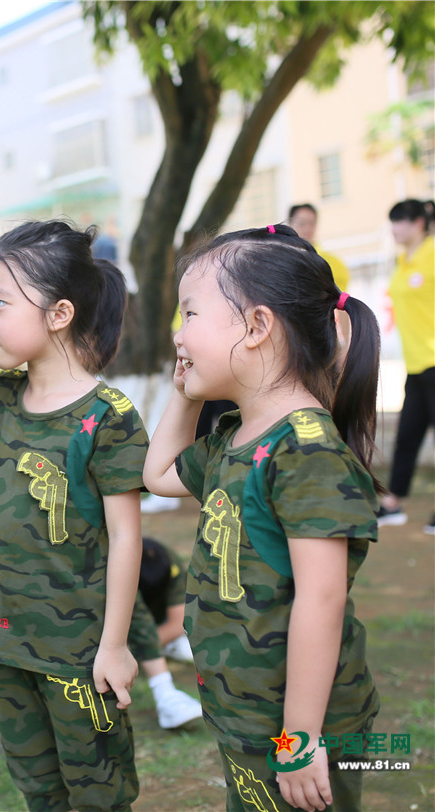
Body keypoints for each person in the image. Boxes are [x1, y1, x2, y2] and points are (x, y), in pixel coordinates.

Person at [0, 219, 145, 812]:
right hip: (5, 642)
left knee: (98, 792)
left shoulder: (107, 416)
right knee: (38, 788)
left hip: (80, 651)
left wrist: (114, 645)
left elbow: (126, 539)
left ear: (59, 313)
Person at [143, 223, 381, 812]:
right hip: (245, 706)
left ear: (256, 327)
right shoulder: (233, 437)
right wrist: (185, 392)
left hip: (302, 726)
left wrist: (299, 741)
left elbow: (320, 601)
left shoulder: (305, 451)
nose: (179, 332)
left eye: (191, 314)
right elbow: (160, 474)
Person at [378, 199, 435, 533]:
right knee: (407, 437)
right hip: (416, 365)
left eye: (399, 222)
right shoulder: (403, 260)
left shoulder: (432, 252)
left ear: (418, 223)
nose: (394, 229)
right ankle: (392, 504)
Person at [125, 540, 202, 732]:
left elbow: (178, 621)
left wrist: (132, 650)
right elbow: (138, 619)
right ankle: (165, 695)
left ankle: (165, 648)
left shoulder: (164, 559)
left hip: (154, 619)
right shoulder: (119, 565)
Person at [287, 204, 351, 290]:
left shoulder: (334, 264)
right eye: (301, 224)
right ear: (290, 225)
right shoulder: (282, 262)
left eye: (311, 223)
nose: (307, 228)